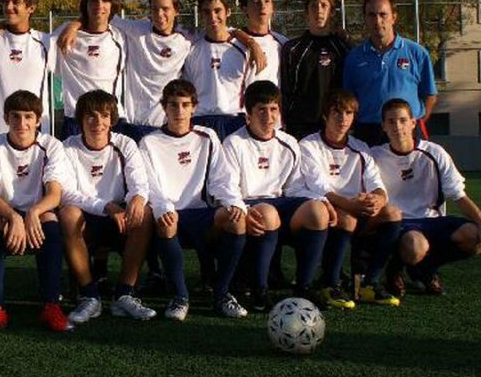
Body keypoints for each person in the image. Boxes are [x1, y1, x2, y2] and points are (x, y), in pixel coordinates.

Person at [138, 79, 249, 321]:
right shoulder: (149, 142)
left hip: (202, 213)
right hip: (171, 213)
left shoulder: (207, 137)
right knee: (167, 223)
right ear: (164, 107)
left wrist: (233, 202)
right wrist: (163, 208)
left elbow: (222, 178)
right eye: (173, 105)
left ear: (194, 107)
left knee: (237, 219)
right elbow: (150, 186)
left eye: (185, 105)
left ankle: (222, 294)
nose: (179, 111)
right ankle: (180, 297)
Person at [221, 82, 335, 312]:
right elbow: (228, 188)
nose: (269, 116)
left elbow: (295, 187)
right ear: (248, 113)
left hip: (281, 203)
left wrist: (322, 200)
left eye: (273, 109)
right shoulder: (234, 143)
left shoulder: (289, 142)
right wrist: (243, 208)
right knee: (268, 214)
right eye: (261, 110)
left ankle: (303, 286)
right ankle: (259, 290)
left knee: (317, 212)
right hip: (250, 205)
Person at [372, 98, 481, 296]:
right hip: (401, 224)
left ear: (413, 123)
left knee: (476, 238)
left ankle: (425, 270)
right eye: (391, 121)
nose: (397, 126)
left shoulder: (434, 152)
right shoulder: (374, 156)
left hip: (433, 220)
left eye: (403, 120)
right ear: (383, 126)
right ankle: (394, 269)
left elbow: (458, 194)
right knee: (415, 247)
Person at [0, 90, 73, 335]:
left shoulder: (51, 145)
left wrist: (32, 212)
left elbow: (55, 194)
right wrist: (13, 216)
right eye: (15, 116)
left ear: (38, 120)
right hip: (4, 212)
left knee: (50, 217)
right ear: (6, 118)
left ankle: (51, 305)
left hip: (37, 213)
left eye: (28, 117)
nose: (22, 123)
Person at [59, 90, 156, 324]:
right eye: (91, 116)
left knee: (144, 212)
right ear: (81, 119)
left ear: (112, 119)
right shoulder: (67, 148)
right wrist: (106, 207)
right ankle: (89, 296)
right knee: (68, 214)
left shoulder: (125, 143)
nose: (98, 122)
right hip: (88, 217)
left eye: (104, 116)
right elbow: (66, 193)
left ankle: (124, 294)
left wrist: (137, 198)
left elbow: (139, 181)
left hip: (120, 216)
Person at [299, 89, 403, 306]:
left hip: (357, 210)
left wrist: (378, 200)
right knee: (347, 218)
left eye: (349, 113)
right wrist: (350, 205)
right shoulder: (308, 146)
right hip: (326, 213)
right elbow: (320, 188)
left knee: (392, 213)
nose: (343, 118)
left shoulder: (360, 148)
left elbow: (376, 184)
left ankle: (368, 284)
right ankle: (329, 284)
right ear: (325, 115)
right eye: (337, 112)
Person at [58, 0, 192, 142]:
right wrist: (74, 26)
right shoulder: (135, 30)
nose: (159, 14)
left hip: (166, 124)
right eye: (154, 9)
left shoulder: (188, 39)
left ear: (176, 10)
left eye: (165, 9)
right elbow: (101, 14)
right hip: (133, 123)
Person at [343, 0, 437, 145]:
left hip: (407, 131)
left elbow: (430, 95)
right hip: (368, 133)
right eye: (371, 15)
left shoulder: (416, 52)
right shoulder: (354, 58)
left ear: (393, 17)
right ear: (365, 19)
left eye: (383, 14)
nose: (377, 20)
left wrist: (415, 123)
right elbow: (348, 99)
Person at [0, 0, 56, 139]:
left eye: (15, 2)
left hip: (34, 139)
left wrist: (75, 25)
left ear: (31, 7)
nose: (8, 7)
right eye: (5, 1)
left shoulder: (45, 43)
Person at [54, 0, 127, 139]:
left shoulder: (121, 36)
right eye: (93, 0)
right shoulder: (65, 33)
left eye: (105, 0)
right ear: (85, 4)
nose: (99, 5)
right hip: (75, 119)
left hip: (109, 119)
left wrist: (76, 23)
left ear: (112, 5)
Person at [181, 0, 254, 140]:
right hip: (200, 120)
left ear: (228, 12)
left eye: (217, 11)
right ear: (200, 14)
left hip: (234, 120)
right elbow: (188, 89)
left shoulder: (244, 49)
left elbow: (250, 89)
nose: (212, 17)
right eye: (206, 12)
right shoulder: (192, 48)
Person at [280, 0, 350, 139]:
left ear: (332, 12)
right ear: (306, 12)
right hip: (301, 126)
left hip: (335, 124)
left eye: (324, 5)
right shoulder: (293, 49)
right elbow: (286, 89)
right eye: (313, 6)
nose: (319, 10)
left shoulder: (343, 48)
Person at [238, 0, 287, 85]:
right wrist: (251, 43)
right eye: (256, 1)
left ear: (272, 8)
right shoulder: (234, 41)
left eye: (267, 1)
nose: (262, 6)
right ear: (244, 8)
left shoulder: (283, 43)